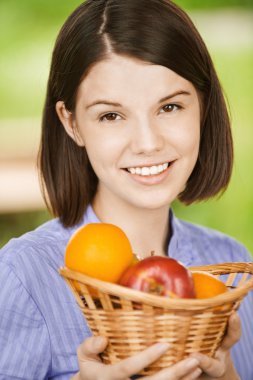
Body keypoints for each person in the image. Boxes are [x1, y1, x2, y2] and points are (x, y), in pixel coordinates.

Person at [0, 0, 252, 379]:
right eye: (111, 116)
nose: (148, 143)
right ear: (71, 124)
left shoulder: (229, 270)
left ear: (202, 104)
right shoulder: (24, 276)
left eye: (169, 107)